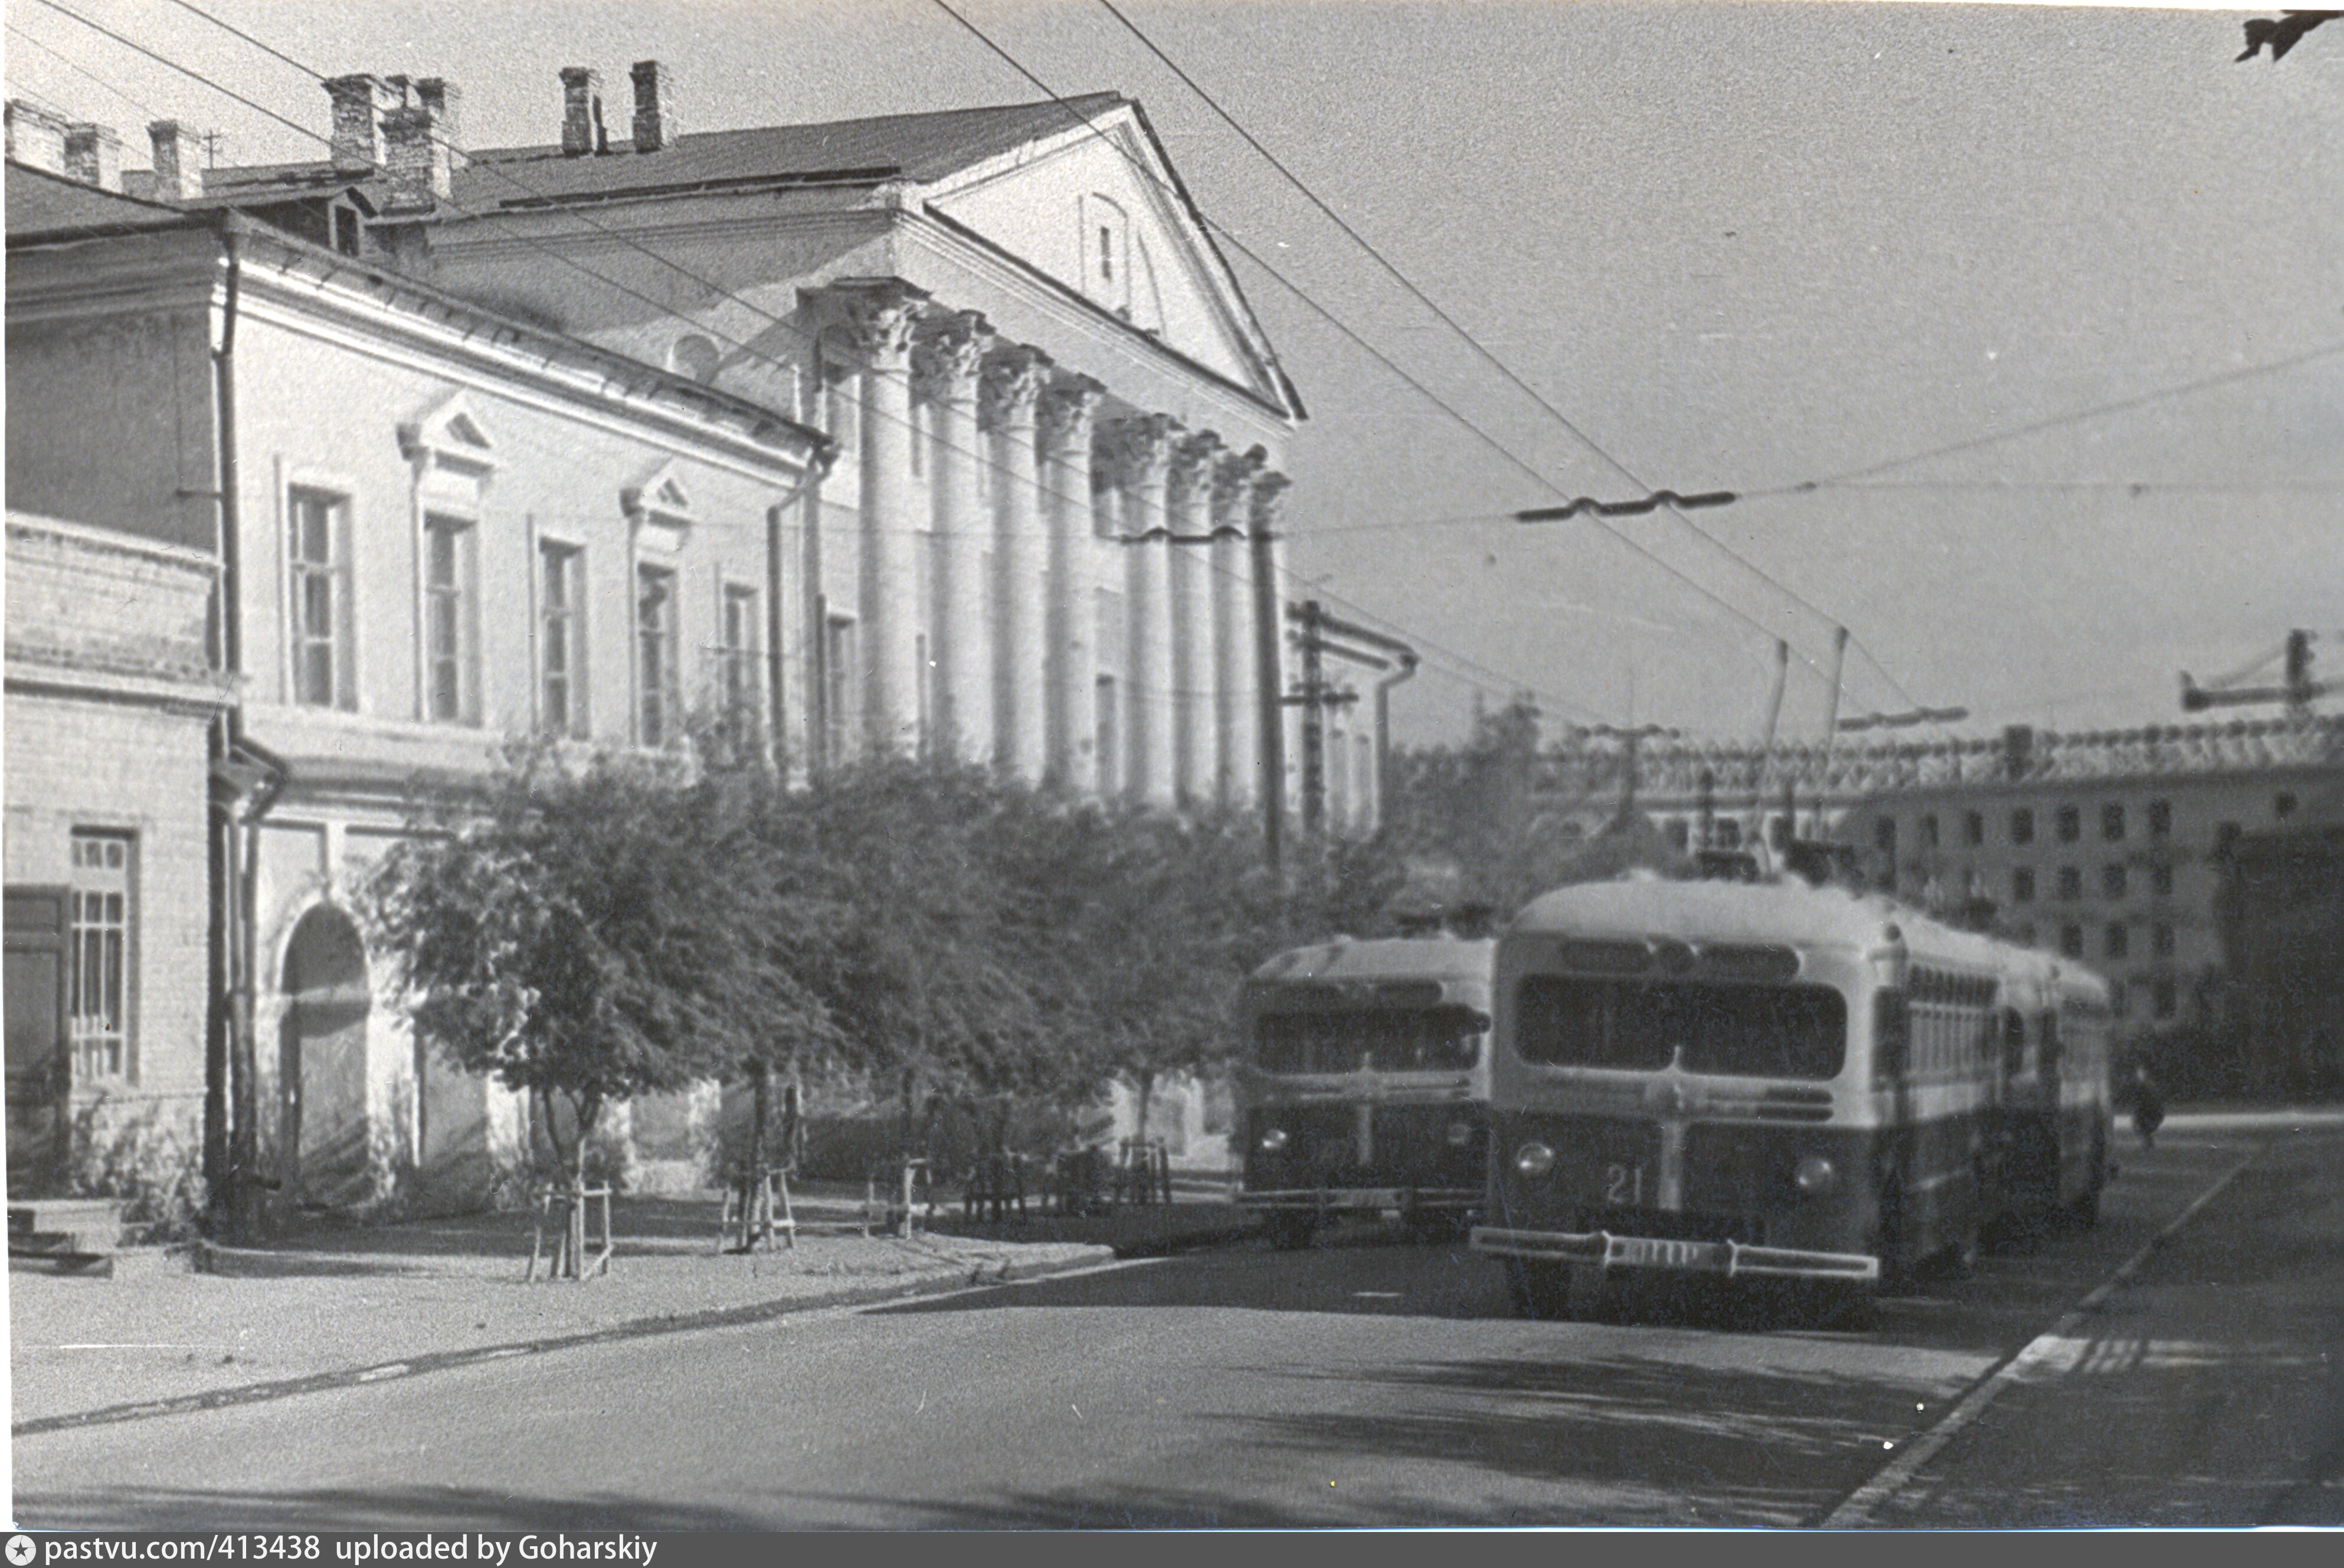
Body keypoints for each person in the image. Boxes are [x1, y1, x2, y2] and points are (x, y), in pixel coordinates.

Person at [2130, 1062, 2166, 1151]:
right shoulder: (2147, 1085)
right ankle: (2148, 1144)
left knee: (2142, 1128)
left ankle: (2147, 1145)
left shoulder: (2147, 1086)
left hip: (2148, 1111)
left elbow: (2149, 1100)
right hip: (2147, 1111)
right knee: (2142, 1129)